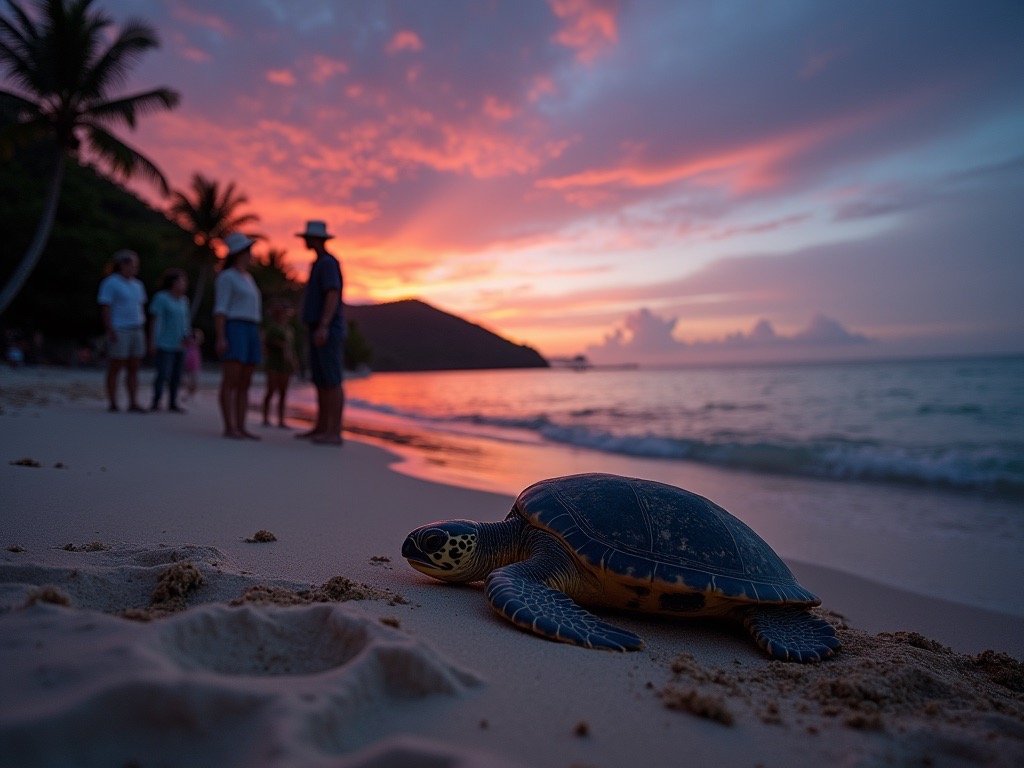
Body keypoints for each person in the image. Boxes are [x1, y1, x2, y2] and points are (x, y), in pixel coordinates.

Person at [295, 220, 345, 445]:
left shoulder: (327, 263)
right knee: (321, 379)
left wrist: (324, 325)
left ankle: (334, 431)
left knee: (331, 380)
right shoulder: (318, 264)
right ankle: (321, 427)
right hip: (316, 327)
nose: (305, 241)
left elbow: (332, 293)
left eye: (307, 237)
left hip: (326, 329)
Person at [213, 233, 262, 440]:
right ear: (239, 254)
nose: (251, 255)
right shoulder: (227, 277)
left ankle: (241, 425)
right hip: (235, 327)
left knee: (245, 381)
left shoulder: (248, 278)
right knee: (231, 379)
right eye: (248, 251)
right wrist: (221, 336)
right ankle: (229, 426)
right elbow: (220, 309)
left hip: (251, 328)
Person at [97, 250, 147, 412]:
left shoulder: (138, 285)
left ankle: (133, 401)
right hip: (120, 329)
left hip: (136, 328)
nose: (135, 267)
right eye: (132, 264)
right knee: (116, 365)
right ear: (122, 264)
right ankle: (113, 401)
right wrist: (110, 329)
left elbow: (140, 306)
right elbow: (105, 307)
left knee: (134, 367)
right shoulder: (111, 283)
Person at [148, 268, 190, 412]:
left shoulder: (184, 301)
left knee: (176, 375)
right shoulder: (161, 298)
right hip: (164, 342)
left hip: (180, 344)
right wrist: (153, 341)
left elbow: (185, 322)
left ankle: (172, 402)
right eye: (180, 281)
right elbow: (156, 321)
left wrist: (188, 336)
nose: (183, 284)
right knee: (162, 373)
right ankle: (156, 401)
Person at [262, 299, 298, 428]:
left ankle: (281, 420)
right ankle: (265, 418)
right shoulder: (272, 327)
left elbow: (291, 348)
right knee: (271, 390)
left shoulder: (290, 329)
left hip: (285, 364)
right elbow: (267, 342)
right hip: (273, 362)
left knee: (283, 392)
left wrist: (294, 361)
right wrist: (280, 345)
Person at [181, 328, 203, 400]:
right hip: (187, 364)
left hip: (195, 365)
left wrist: (195, 335)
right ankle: (187, 393)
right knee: (187, 380)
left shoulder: (196, 344)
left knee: (194, 380)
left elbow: (199, 338)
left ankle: (192, 394)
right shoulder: (187, 345)